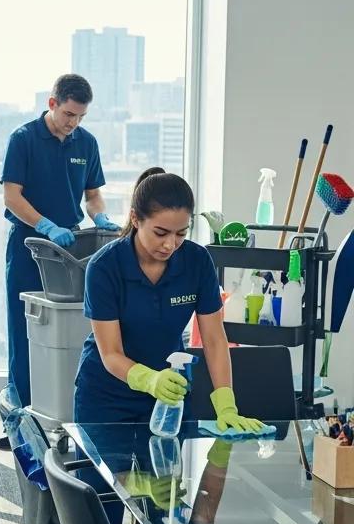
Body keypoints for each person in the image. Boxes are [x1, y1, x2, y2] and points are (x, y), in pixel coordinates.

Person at [74, 166, 264, 437]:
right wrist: (149, 379)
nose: (170, 245)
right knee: (108, 479)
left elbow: (214, 339)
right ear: (136, 219)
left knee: (169, 478)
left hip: (169, 396)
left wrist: (226, 404)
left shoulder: (197, 261)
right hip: (107, 397)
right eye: (160, 233)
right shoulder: (104, 267)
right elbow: (111, 354)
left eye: (181, 234)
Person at [0, 73, 117, 450]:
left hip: (70, 250)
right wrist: (44, 225)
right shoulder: (24, 139)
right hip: (29, 245)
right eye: (68, 114)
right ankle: (20, 425)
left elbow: (92, 195)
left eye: (80, 116)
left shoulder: (86, 142)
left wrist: (99, 218)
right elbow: (11, 197)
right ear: (52, 103)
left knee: (69, 332)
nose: (73, 123)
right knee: (25, 331)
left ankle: (64, 417)